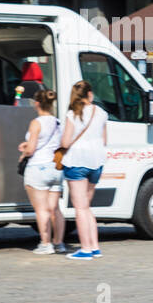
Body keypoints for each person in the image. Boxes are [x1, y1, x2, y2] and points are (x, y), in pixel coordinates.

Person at [60, 80, 108, 260]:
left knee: (80, 208)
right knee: (87, 207)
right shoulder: (102, 113)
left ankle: (85, 249)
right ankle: (95, 247)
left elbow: (65, 142)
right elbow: (104, 140)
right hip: (97, 161)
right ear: (90, 94)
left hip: (77, 161)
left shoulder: (72, 114)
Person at [17, 89, 67, 254]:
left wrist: (23, 152)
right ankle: (59, 243)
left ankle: (45, 244)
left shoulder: (36, 123)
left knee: (41, 209)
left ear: (36, 103)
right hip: (55, 167)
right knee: (55, 209)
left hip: (38, 167)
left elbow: (31, 149)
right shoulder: (58, 122)